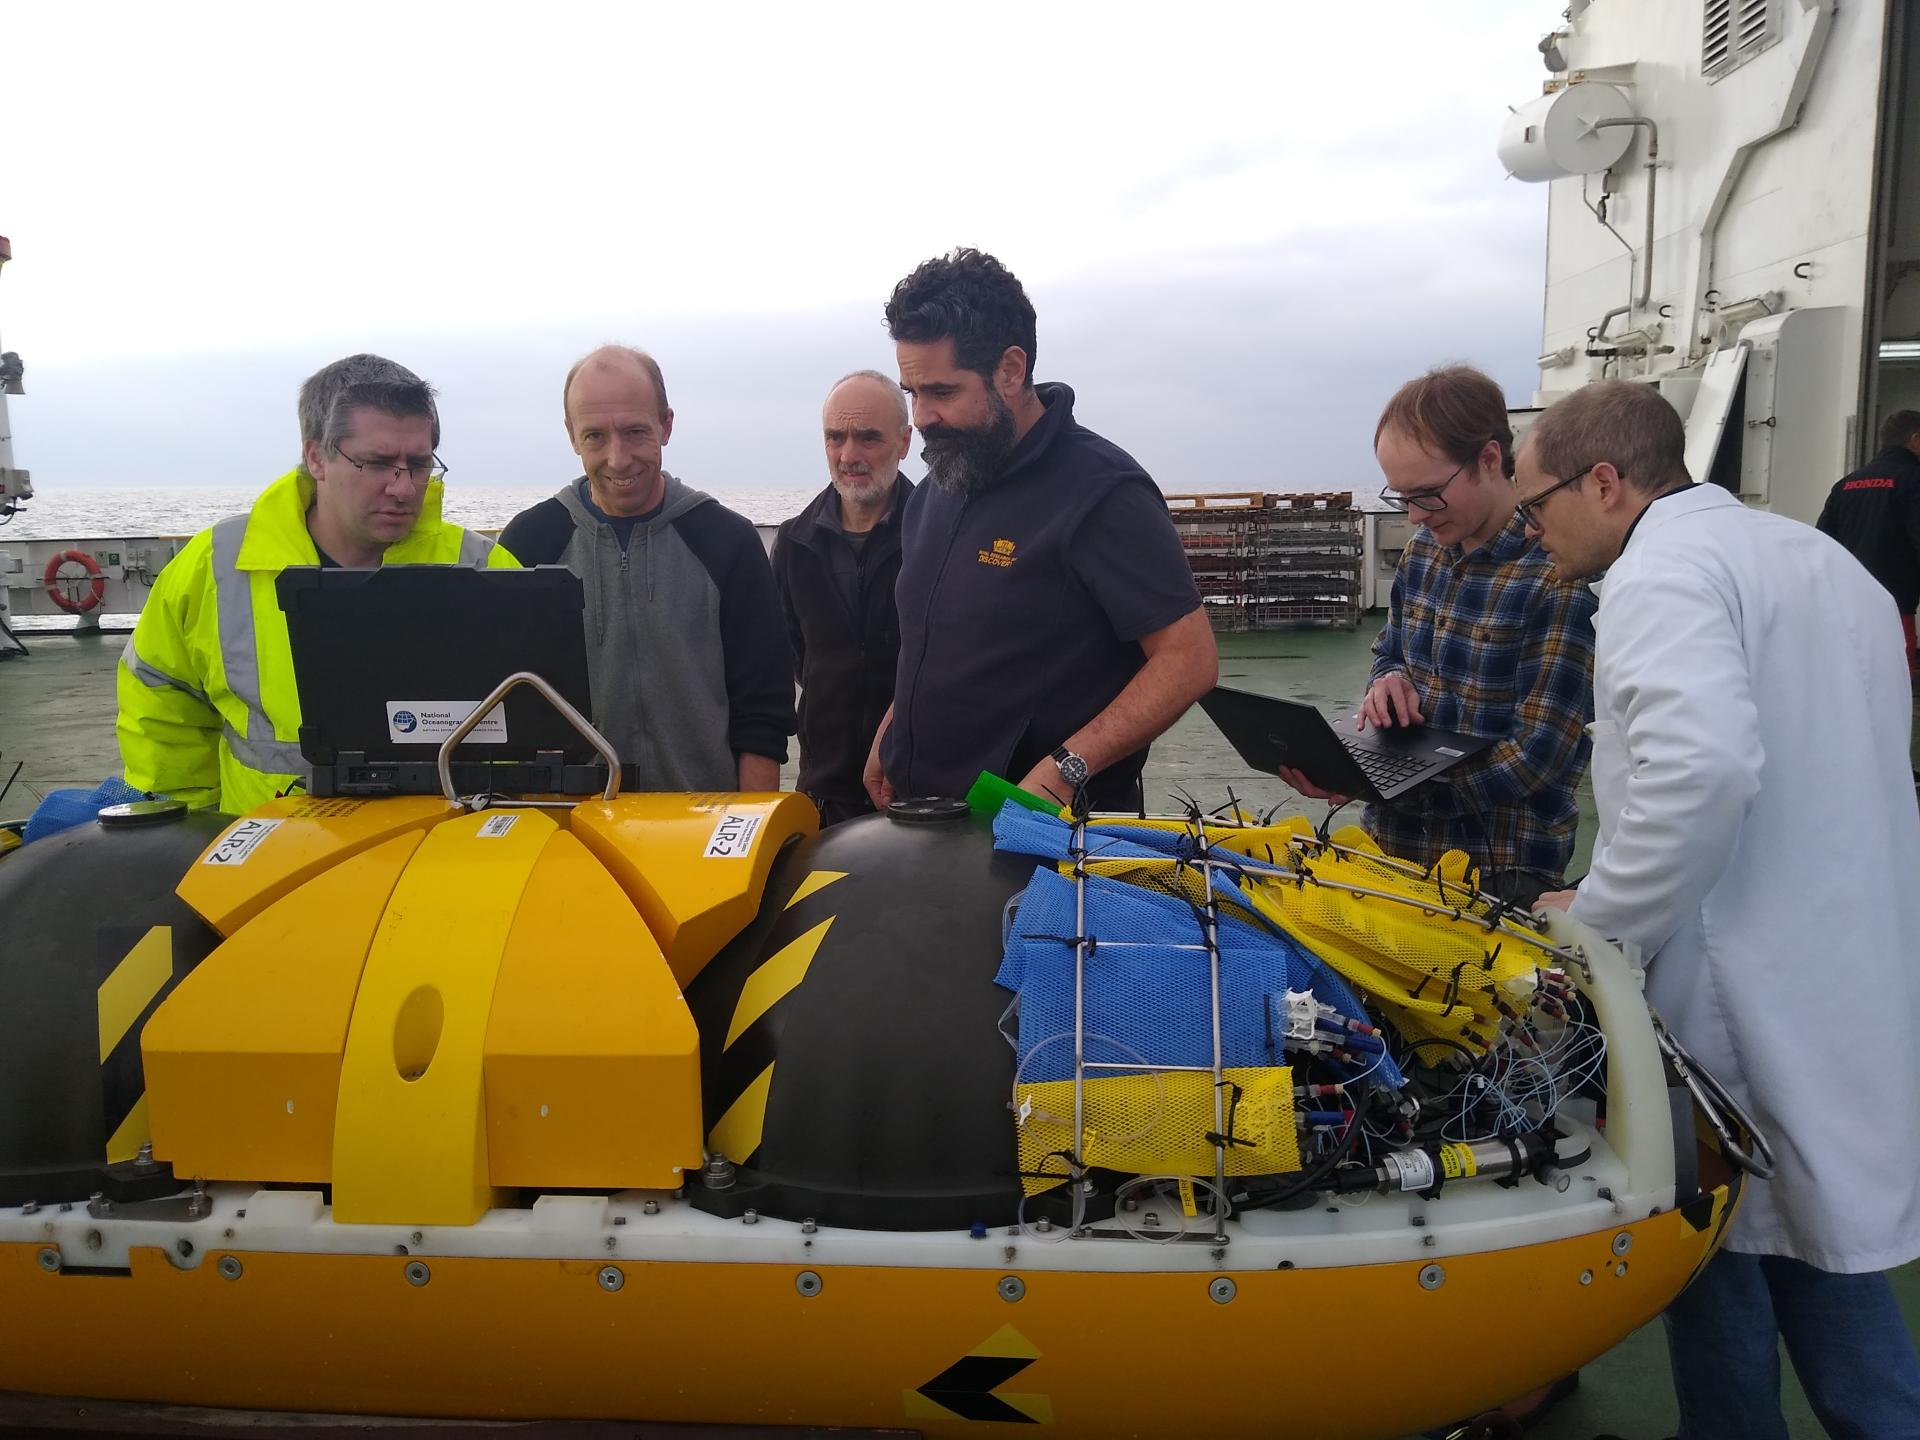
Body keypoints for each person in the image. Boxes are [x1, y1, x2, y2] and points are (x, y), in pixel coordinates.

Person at [1521, 380, 1920, 1440]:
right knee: (1816, 1246)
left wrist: (1599, 922)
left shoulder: (1662, 574)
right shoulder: (1823, 563)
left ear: (1604, 482)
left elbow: (1698, 776)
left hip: (1736, 984)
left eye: (1537, 503)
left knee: (1714, 1249)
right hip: (1840, 963)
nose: (1534, 527)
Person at [861, 248, 1216, 812]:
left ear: (1010, 370)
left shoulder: (1102, 491)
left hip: (1048, 836)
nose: (921, 416)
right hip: (926, 821)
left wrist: (1068, 768)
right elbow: (937, 639)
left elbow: (1188, 659)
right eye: (914, 394)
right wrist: (893, 729)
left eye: (942, 392)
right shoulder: (939, 486)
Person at [116, 354, 516, 813]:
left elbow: (535, 720)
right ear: (316, 458)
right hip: (269, 855)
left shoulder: (484, 567)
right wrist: (193, 827)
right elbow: (160, 698)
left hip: (441, 851)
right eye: (378, 463)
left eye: (420, 464)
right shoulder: (215, 565)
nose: (404, 488)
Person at [1288, 366, 1597, 911]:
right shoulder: (1423, 552)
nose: (1413, 516)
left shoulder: (1556, 575)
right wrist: (1387, 680)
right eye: (1401, 496)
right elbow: (1390, 650)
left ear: (1489, 459)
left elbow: (1536, 758)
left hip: (1498, 877)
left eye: (1427, 495)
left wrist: (1383, 783)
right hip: (1389, 851)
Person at [499, 345, 792, 791]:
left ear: (666, 425)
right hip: (570, 827)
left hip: (700, 823)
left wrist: (750, 830)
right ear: (571, 434)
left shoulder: (727, 541)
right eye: (595, 435)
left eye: (635, 431)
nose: (619, 459)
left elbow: (763, 714)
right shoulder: (528, 543)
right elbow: (507, 708)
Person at [772, 369, 914, 825]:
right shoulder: (795, 543)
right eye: (836, 437)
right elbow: (795, 656)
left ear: (904, 442)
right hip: (823, 793)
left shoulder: (935, 536)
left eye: (868, 438)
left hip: (915, 792)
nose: (849, 455)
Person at [1816, 408, 1920, 681]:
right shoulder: (1914, 480)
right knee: (1895, 682)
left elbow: (1822, 542)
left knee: (1853, 679)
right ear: (1916, 439)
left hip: (1846, 604)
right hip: (1895, 606)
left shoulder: (1845, 485)